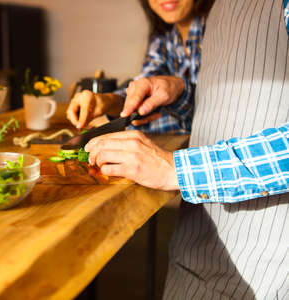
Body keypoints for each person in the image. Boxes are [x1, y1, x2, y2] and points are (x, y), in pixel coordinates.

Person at [85, 0, 289, 298]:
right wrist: (181, 95)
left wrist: (176, 169)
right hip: (196, 250)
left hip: (267, 268)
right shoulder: (220, 9)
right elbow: (243, 113)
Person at [67, 0, 214, 134]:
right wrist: (108, 101)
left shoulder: (220, 31)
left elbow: (209, 119)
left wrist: (119, 122)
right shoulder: (164, 37)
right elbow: (144, 89)